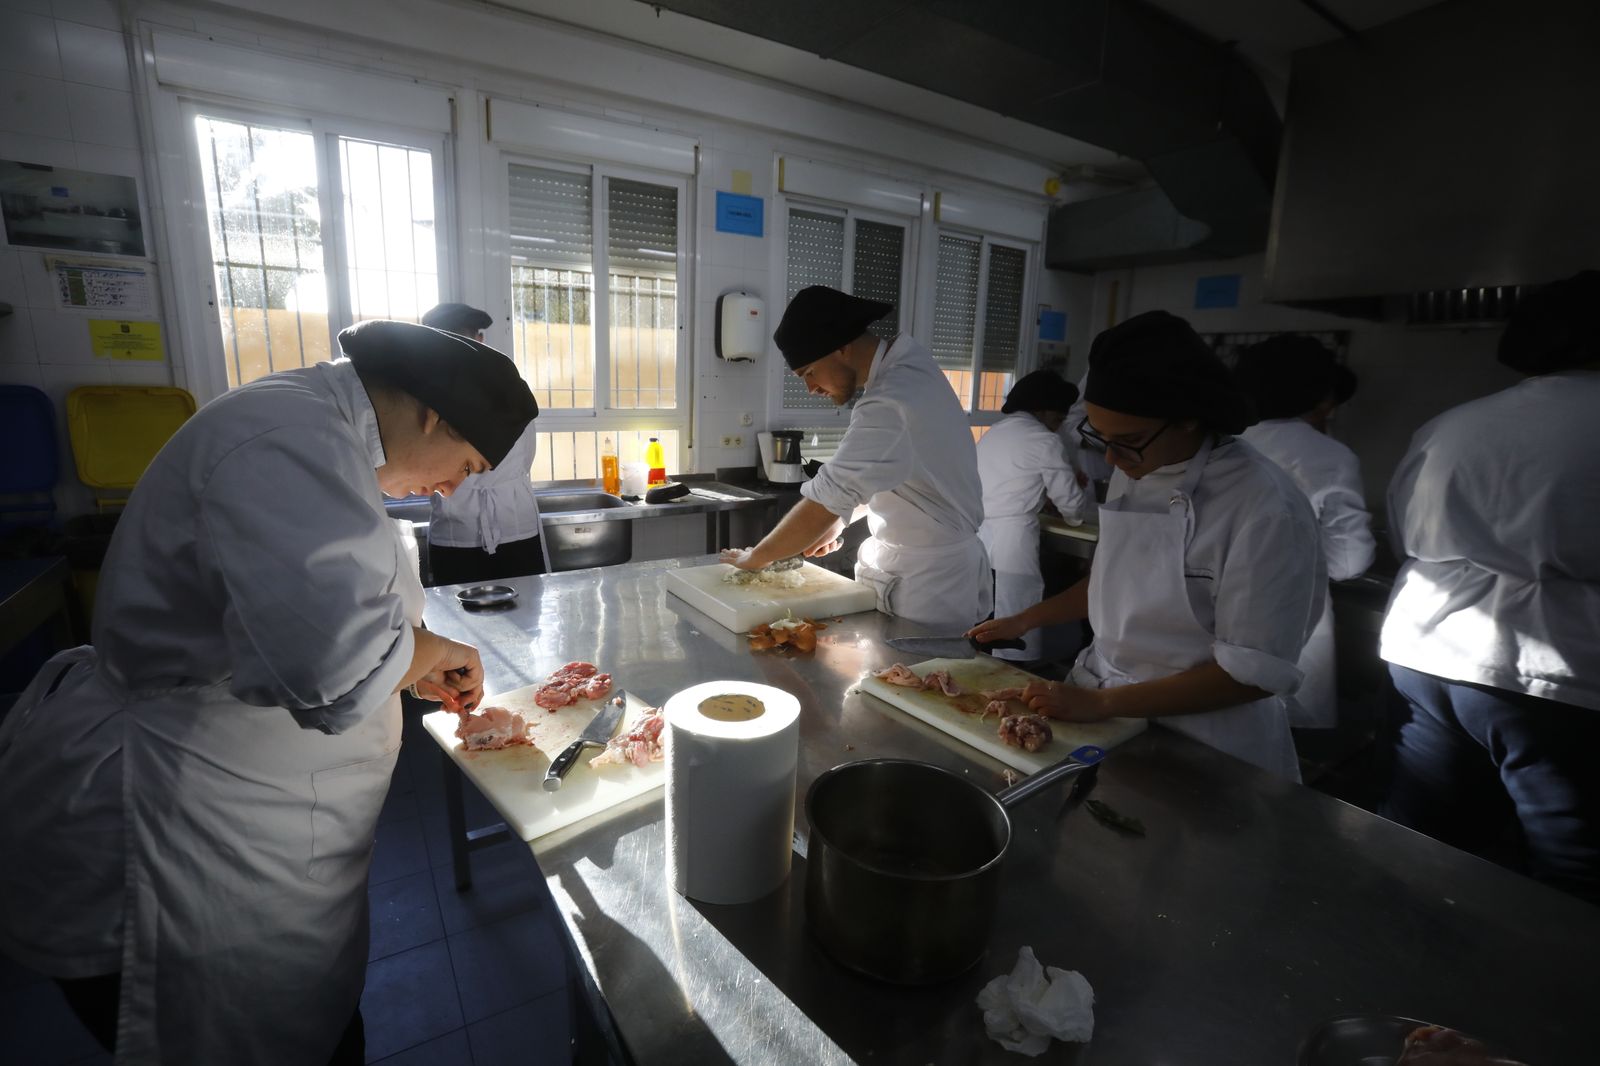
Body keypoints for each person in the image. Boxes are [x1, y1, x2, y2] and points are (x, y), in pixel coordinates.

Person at [0, 320, 537, 1064]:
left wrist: (409, 663)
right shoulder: (287, 441)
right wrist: (429, 649)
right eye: (465, 465)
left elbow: (317, 621)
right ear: (433, 417)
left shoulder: (321, 437)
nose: (453, 488)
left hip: (262, 826)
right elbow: (335, 672)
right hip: (189, 833)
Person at [969, 311, 1324, 780]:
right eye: (1101, 439)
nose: (1112, 459)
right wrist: (1024, 618)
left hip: (1205, 743)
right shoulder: (1137, 468)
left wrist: (1102, 703)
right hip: (1104, 713)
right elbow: (1115, 580)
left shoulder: (1265, 507)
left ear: (1190, 419)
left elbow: (1252, 673)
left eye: (1129, 441)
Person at [1379, 269, 1600, 904]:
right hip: (1558, 677)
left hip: (1426, 655)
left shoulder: (1458, 423)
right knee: (1572, 878)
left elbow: (1405, 530)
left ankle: (1402, 991)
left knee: (1416, 849)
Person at [721, 286, 991, 629]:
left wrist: (755, 558)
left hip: (928, 584)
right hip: (930, 567)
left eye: (809, 373)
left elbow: (827, 498)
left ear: (842, 347)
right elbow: (899, 476)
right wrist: (841, 518)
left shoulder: (891, 402)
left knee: (914, 676)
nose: (811, 389)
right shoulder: (910, 367)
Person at [1234, 335, 1375, 728]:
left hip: (1215, 612)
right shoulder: (1329, 456)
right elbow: (1349, 561)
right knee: (1280, 734)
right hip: (1292, 617)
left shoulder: (1223, 444)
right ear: (1318, 393)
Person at [421, 302, 547, 584]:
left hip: (458, 532)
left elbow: (425, 469)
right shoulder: (513, 385)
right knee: (525, 619)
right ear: (479, 340)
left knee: (455, 624)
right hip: (513, 524)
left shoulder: (425, 392)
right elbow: (525, 457)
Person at [975, 369, 1092, 661]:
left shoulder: (995, 432)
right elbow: (1072, 505)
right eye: (1056, 420)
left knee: (986, 616)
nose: (1056, 428)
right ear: (1041, 411)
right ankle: (1017, 674)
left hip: (978, 535)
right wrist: (1075, 514)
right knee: (1017, 620)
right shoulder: (1044, 440)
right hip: (1014, 539)